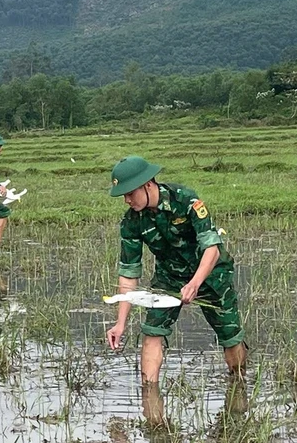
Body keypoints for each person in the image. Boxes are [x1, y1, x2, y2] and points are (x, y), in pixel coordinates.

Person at [104, 156, 248, 384]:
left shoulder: (185, 200)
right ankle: (150, 399)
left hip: (211, 276)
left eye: (130, 193)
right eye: (124, 195)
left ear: (147, 184)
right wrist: (120, 323)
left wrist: (195, 283)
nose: (127, 200)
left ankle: (238, 386)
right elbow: (129, 274)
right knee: (152, 331)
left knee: (230, 337)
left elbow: (213, 249)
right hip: (168, 280)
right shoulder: (131, 222)